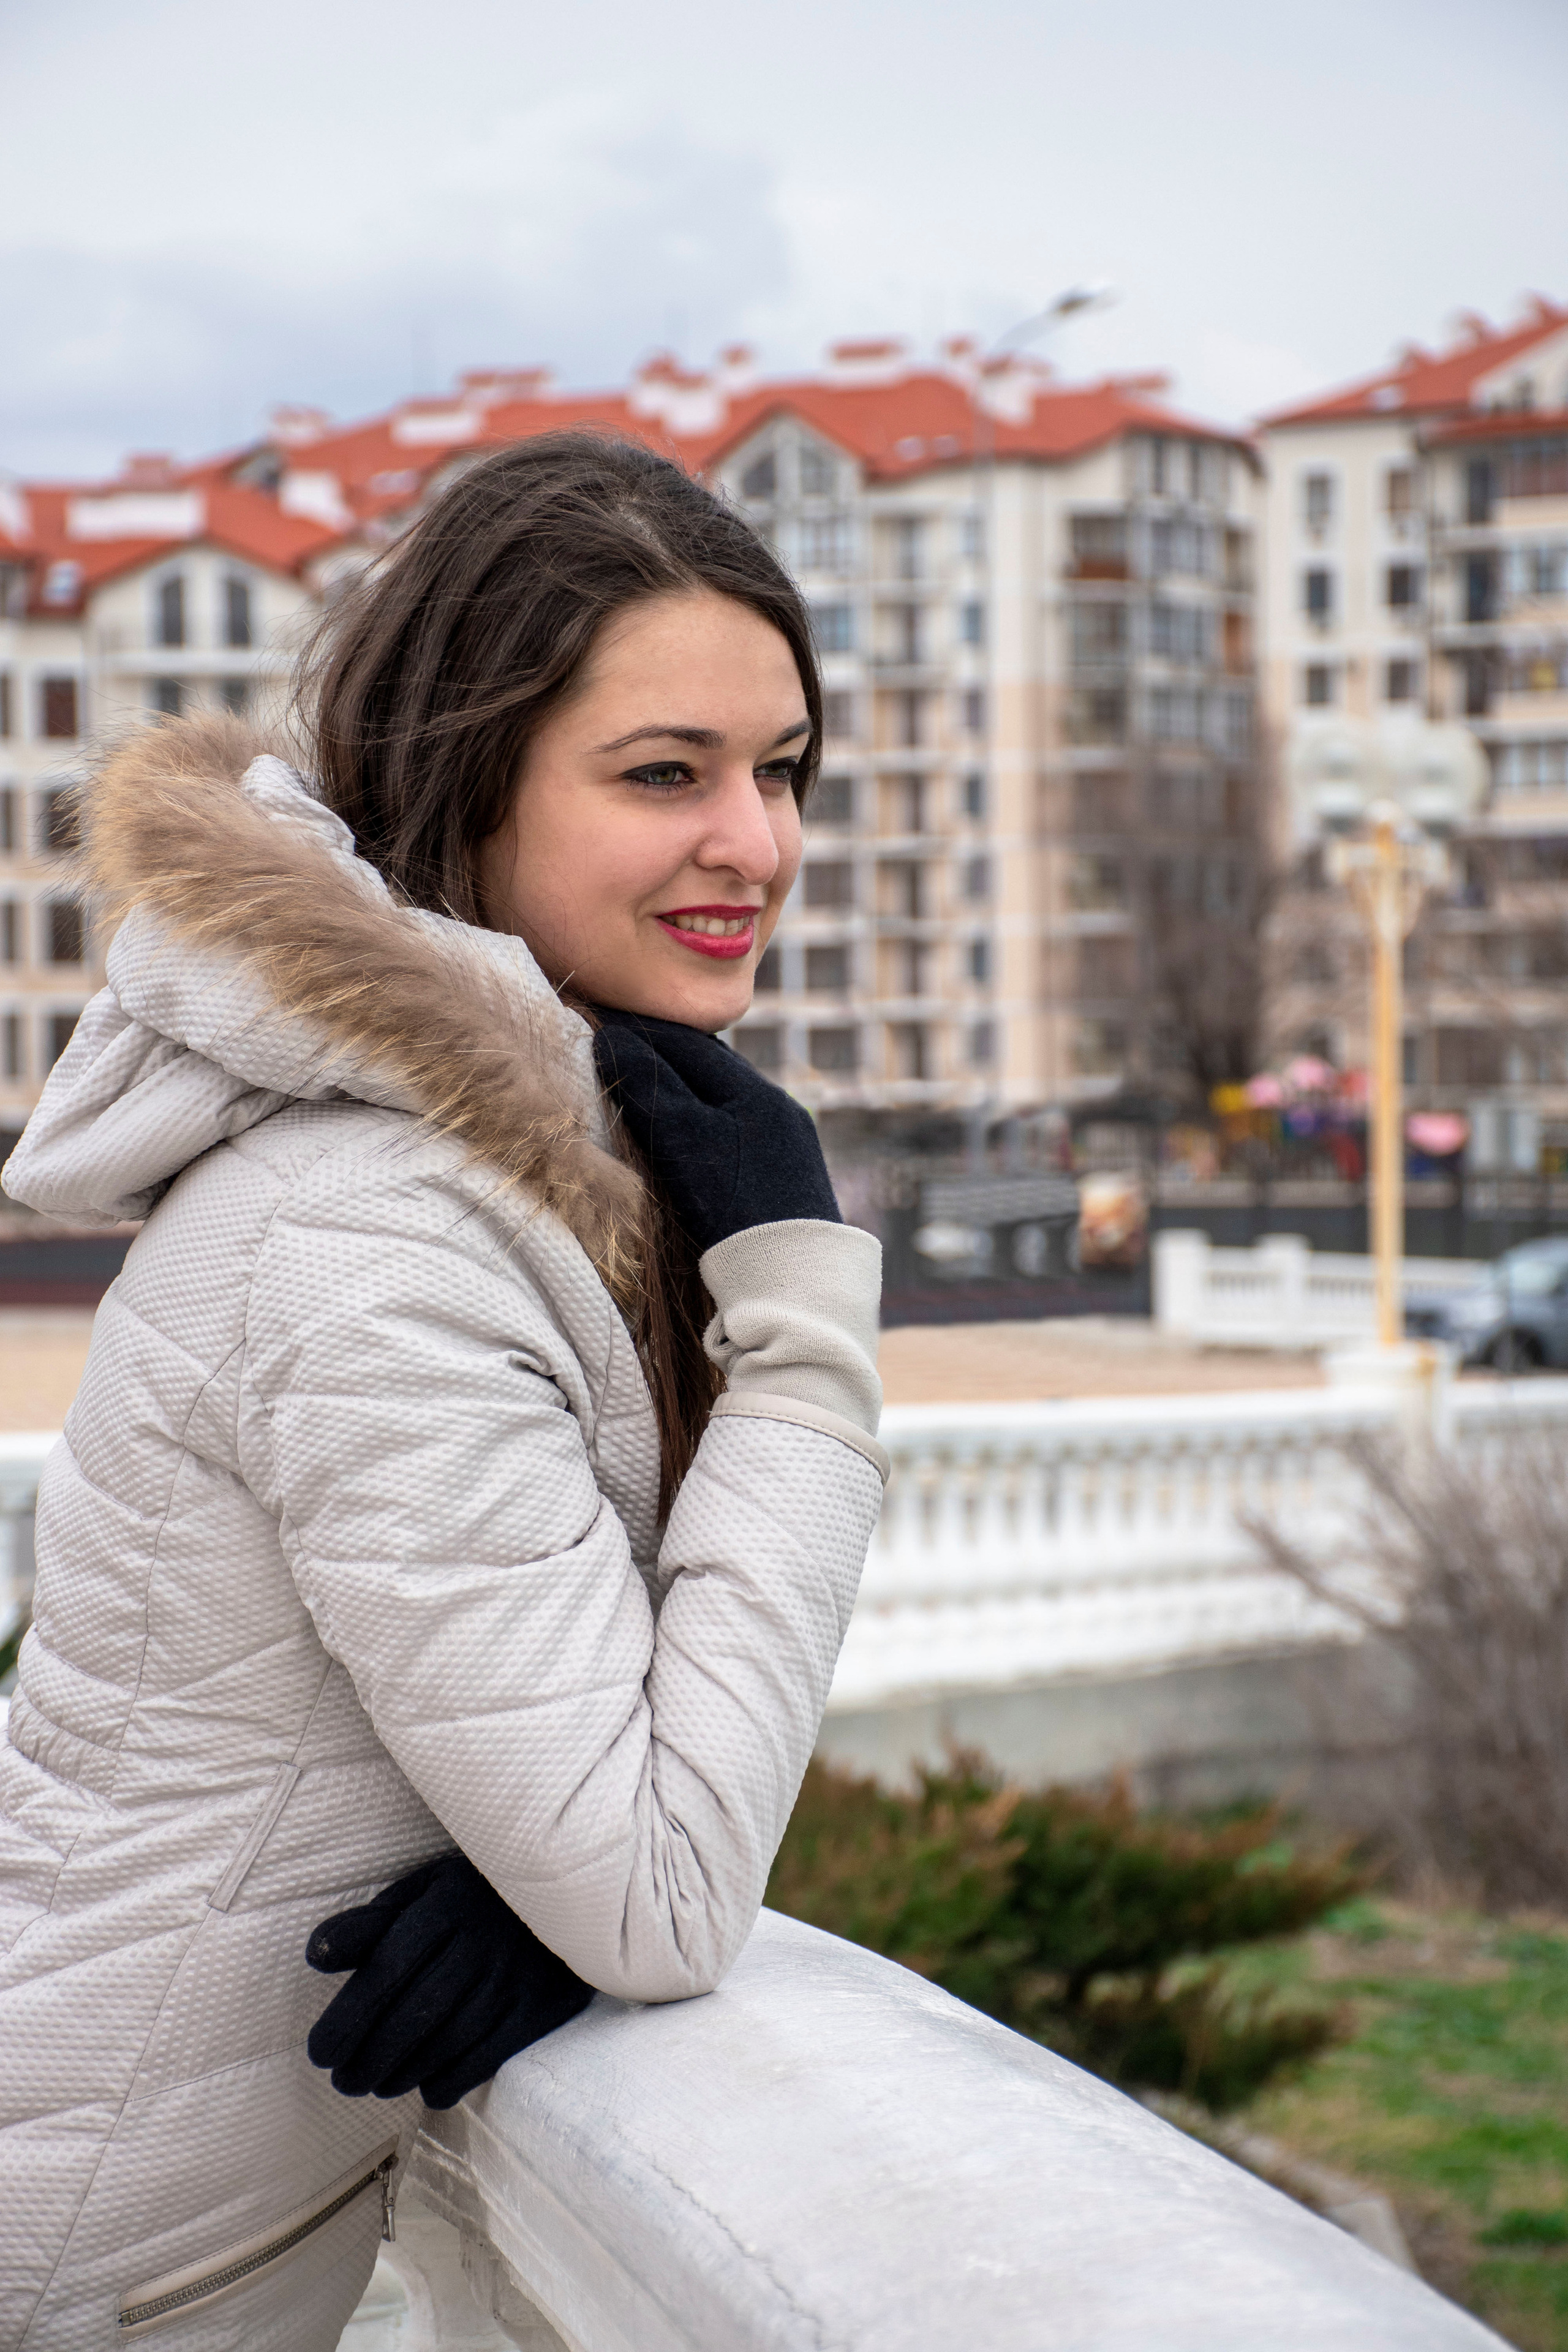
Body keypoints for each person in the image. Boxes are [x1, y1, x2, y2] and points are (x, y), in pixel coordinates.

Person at [0, 434, 886, 2351]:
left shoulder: (496, 1172)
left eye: (784, 769)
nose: (759, 842)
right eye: (666, 774)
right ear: (470, 784)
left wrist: (507, 1863)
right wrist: (802, 1307)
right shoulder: (372, 1229)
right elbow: (661, 1892)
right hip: (98, 2259)